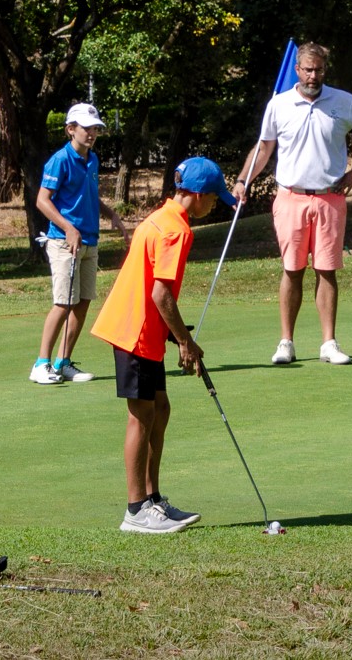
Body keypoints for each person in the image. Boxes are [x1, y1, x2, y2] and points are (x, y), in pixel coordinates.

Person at [90, 156, 235, 533]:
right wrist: (185, 343)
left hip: (144, 330)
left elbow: (156, 292)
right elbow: (161, 295)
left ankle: (153, 499)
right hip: (134, 330)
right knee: (142, 414)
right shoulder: (176, 230)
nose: (215, 204)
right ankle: (136, 509)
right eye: (214, 198)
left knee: (160, 407)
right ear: (198, 195)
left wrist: (180, 337)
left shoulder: (162, 217)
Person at [233, 42, 352, 366]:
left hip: (329, 197)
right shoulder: (279, 104)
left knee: (326, 270)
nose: (313, 75)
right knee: (292, 269)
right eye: (308, 69)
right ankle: (286, 342)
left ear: (325, 70)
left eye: (319, 70)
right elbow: (263, 149)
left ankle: (328, 343)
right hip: (291, 197)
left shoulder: (343, 101)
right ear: (297, 70)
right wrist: (244, 180)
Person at [30, 102, 130, 384]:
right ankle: (41, 364)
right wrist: (68, 228)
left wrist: (111, 214)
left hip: (89, 240)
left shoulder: (92, 159)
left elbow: (87, 196)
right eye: (86, 128)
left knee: (82, 302)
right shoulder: (59, 160)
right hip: (64, 242)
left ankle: (63, 362)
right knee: (63, 303)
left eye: (95, 128)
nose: (92, 133)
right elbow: (42, 200)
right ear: (70, 129)